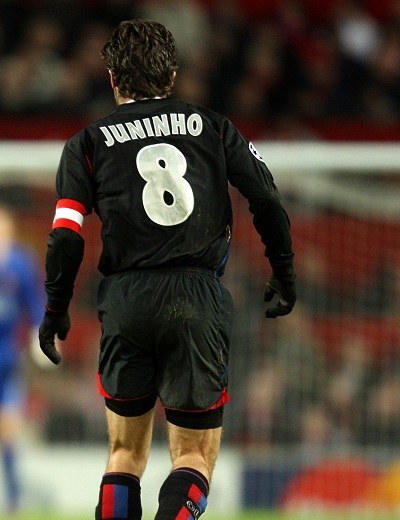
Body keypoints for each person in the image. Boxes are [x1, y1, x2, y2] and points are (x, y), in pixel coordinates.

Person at [38, 19, 296, 520]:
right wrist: (283, 271)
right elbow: (265, 197)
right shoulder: (212, 127)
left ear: (112, 78)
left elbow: (65, 235)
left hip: (126, 300)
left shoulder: (86, 143)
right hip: (195, 297)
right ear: (173, 76)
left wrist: (55, 309)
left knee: (123, 454)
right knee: (193, 457)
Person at [0, 205, 44, 514]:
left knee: (9, 427)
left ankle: (15, 498)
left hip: (7, 358)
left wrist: (40, 335)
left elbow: (36, 304)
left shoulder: (21, 263)